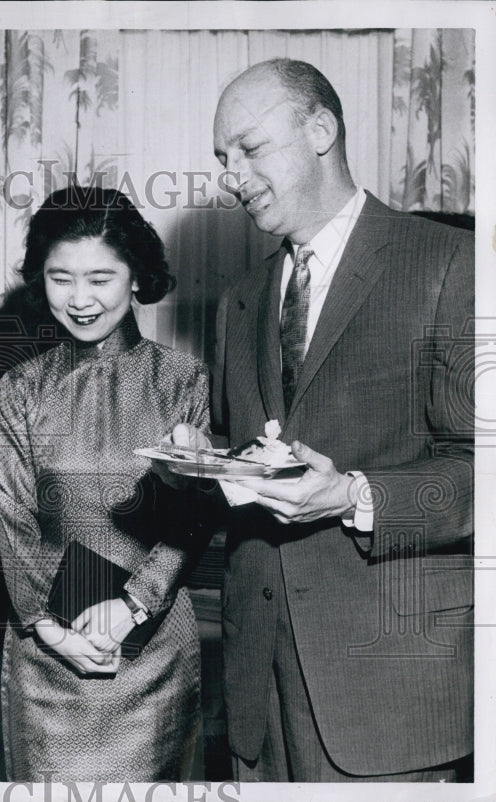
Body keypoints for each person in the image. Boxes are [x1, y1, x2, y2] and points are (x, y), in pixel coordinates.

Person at [174, 58, 473, 781]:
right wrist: (203, 457)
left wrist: (355, 495)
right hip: (256, 686)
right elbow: (256, 451)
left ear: (320, 130)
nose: (231, 174)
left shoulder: (450, 264)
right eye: (222, 158)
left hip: (391, 693)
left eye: (248, 148)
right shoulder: (239, 300)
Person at [0, 186, 214, 782]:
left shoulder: (182, 380)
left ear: (136, 277)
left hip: (154, 655)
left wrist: (135, 603)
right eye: (61, 279)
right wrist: (48, 627)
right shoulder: (20, 389)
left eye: (100, 279)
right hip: (48, 663)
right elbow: (13, 522)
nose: (80, 299)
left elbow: (193, 517)